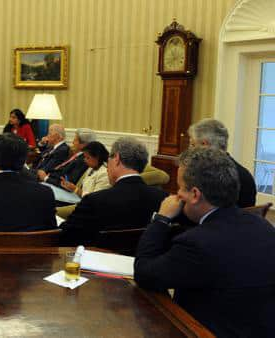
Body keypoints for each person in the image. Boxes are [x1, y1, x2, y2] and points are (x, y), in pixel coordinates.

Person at [134, 147, 275, 337]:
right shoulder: (263, 226)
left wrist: (161, 219)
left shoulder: (196, 243)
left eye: (180, 188)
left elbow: (144, 273)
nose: (177, 196)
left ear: (195, 194)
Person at [59, 137, 168, 246]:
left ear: (116, 159)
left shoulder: (94, 201)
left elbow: (65, 236)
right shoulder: (163, 199)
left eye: (109, 158)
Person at [188, 118, 257, 207]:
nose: (190, 149)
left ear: (204, 144)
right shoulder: (243, 172)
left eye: (193, 144)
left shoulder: (210, 175)